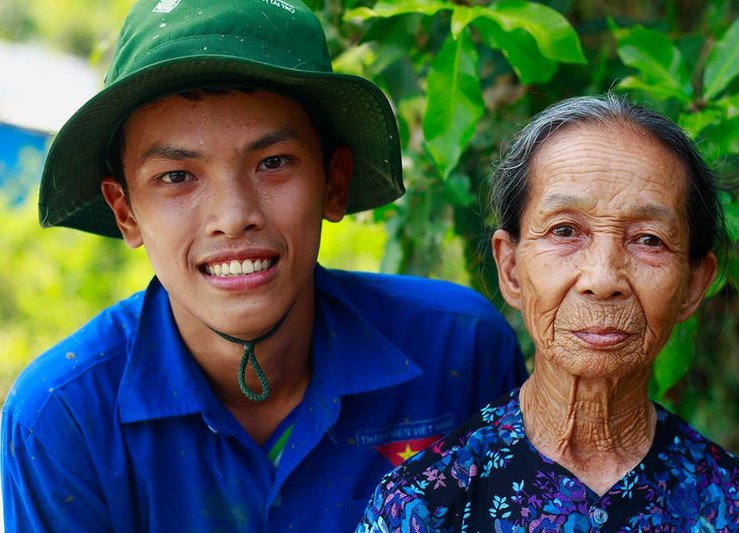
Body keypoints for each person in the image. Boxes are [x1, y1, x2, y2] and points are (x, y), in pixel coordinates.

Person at [0, 1, 527, 530]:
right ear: (126, 212)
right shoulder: (63, 417)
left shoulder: (458, 353)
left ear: (334, 182)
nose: (232, 218)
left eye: (273, 163)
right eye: (177, 176)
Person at [358, 95, 739, 532]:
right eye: (565, 231)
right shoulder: (421, 508)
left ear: (694, 284)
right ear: (510, 268)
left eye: (648, 239)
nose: (603, 278)